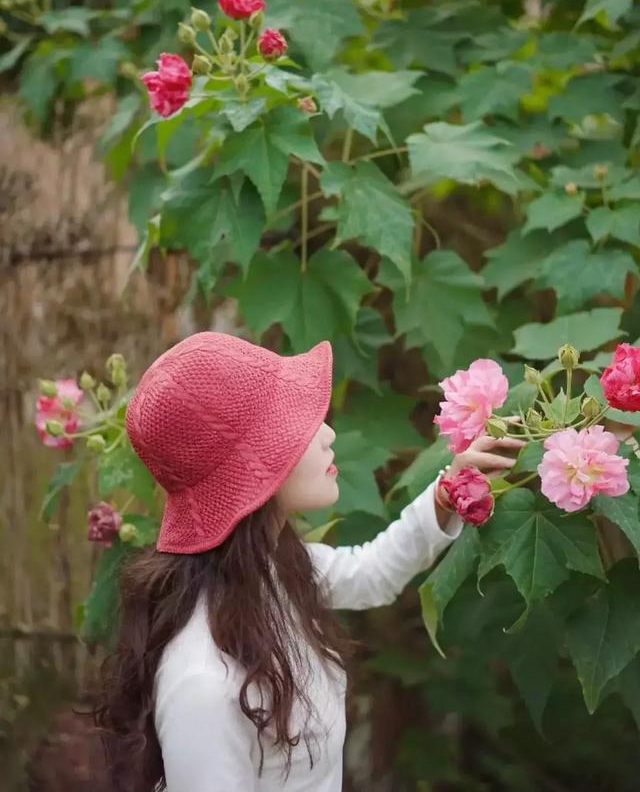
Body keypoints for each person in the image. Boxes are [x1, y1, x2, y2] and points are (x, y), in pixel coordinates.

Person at [93, 331, 523, 792]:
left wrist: (447, 493)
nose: (328, 434)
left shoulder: (268, 573)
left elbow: (371, 574)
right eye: (293, 425)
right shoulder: (202, 679)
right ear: (251, 470)